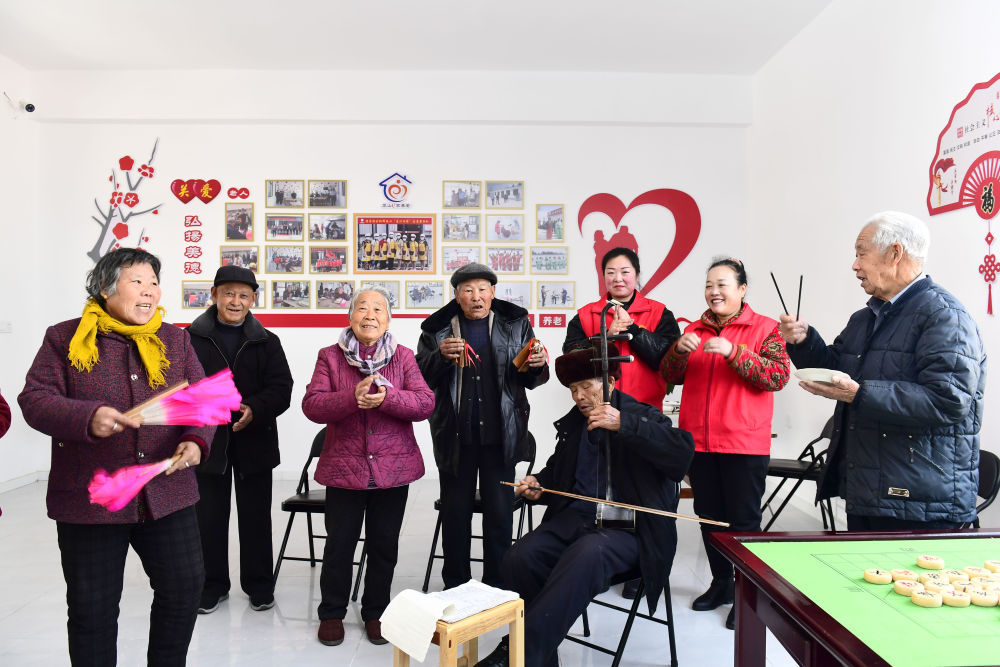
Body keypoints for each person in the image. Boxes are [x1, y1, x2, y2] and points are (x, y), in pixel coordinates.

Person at [18, 248, 212, 666]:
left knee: (183, 589)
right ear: (106, 287)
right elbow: (34, 400)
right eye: (137, 281)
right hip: (92, 500)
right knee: (92, 610)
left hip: (166, 493)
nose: (149, 292)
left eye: (154, 283)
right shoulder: (64, 337)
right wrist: (86, 417)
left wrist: (196, 440)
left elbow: (201, 402)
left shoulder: (175, 340)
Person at [475, 344, 694, 667]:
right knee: (519, 557)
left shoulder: (641, 415)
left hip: (629, 531)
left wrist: (626, 426)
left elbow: (681, 454)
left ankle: (519, 654)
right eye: (574, 390)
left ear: (612, 381)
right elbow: (557, 475)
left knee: (589, 552)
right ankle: (540, 657)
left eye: (587, 386)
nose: (579, 396)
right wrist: (539, 485)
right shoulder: (575, 426)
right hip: (575, 521)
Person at [778, 211, 986, 531]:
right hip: (869, 489)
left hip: (919, 504)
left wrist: (860, 393)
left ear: (894, 253)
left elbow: (948, 400)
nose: (854, 265)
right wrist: (804, 342)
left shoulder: (944, 316)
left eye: (861, 253)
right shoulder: (866, 318)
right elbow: (836, 369)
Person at [660, 257, 790, 629]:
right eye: (708, 285)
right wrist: (678, 352)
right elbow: (669, 376)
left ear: (742, 289)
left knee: (744, 522)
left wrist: (735, 353)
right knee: (709, 517)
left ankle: (747, 592)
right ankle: (721, 583)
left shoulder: (765, 328)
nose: (714, 292)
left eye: (722, 285)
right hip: (698, 443)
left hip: (743, 443)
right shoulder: (694, 331)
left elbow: (777, 377)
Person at [303, 288, 434, 647]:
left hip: (393, 471)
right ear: (350, 317)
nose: (370, 314)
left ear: (388, 320)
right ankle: (331, 613)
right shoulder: (329, 357)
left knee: (383, 546)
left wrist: (388, 397)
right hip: (344, 470)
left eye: (379, 308)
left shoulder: (404, 357)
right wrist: (351, 397)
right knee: (339, 546)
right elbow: (312, 405)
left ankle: (376, 612)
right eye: (363, 308)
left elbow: (425, 403)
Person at [416, 263, 548, 589]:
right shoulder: (437, 331)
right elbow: (418, 379)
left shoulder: (516, 325)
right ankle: (457, 585)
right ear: (457, 296)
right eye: (468, 291)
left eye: (482, 289)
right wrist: (439, 358)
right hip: (454, 437)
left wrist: (538, 365)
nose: (477, 297)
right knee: (455, 516)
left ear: (493, 292)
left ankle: (497, 585)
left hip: (500, 435)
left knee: (500, 517)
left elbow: (531, 379)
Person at [564, 247, 680, 599]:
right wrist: (604, 335)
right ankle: (603, 558)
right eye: (611, 272)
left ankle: (645, 568)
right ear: (603, 277)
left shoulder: (659, 313)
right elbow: (571, 359)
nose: (618, 278)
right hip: (599, 414)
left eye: (625, 271)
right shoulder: (586, 314)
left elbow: (669, 360)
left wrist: (633, 331)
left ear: (637, 275)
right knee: (607, 488)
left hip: (643, 419)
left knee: (649, 495)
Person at [187, 266, 293, 614]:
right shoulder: (189, 339)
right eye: (228, 293)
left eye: (244, 295)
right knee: (208, 519)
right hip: (207, 442)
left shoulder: (267, 341)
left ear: (253, 300)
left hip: (255, 442)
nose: (236, 301)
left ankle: (260, 585)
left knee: (256, 519)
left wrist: (254, 408)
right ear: (214, 295)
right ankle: (210, 585)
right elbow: (179, 388)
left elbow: (281, 389)